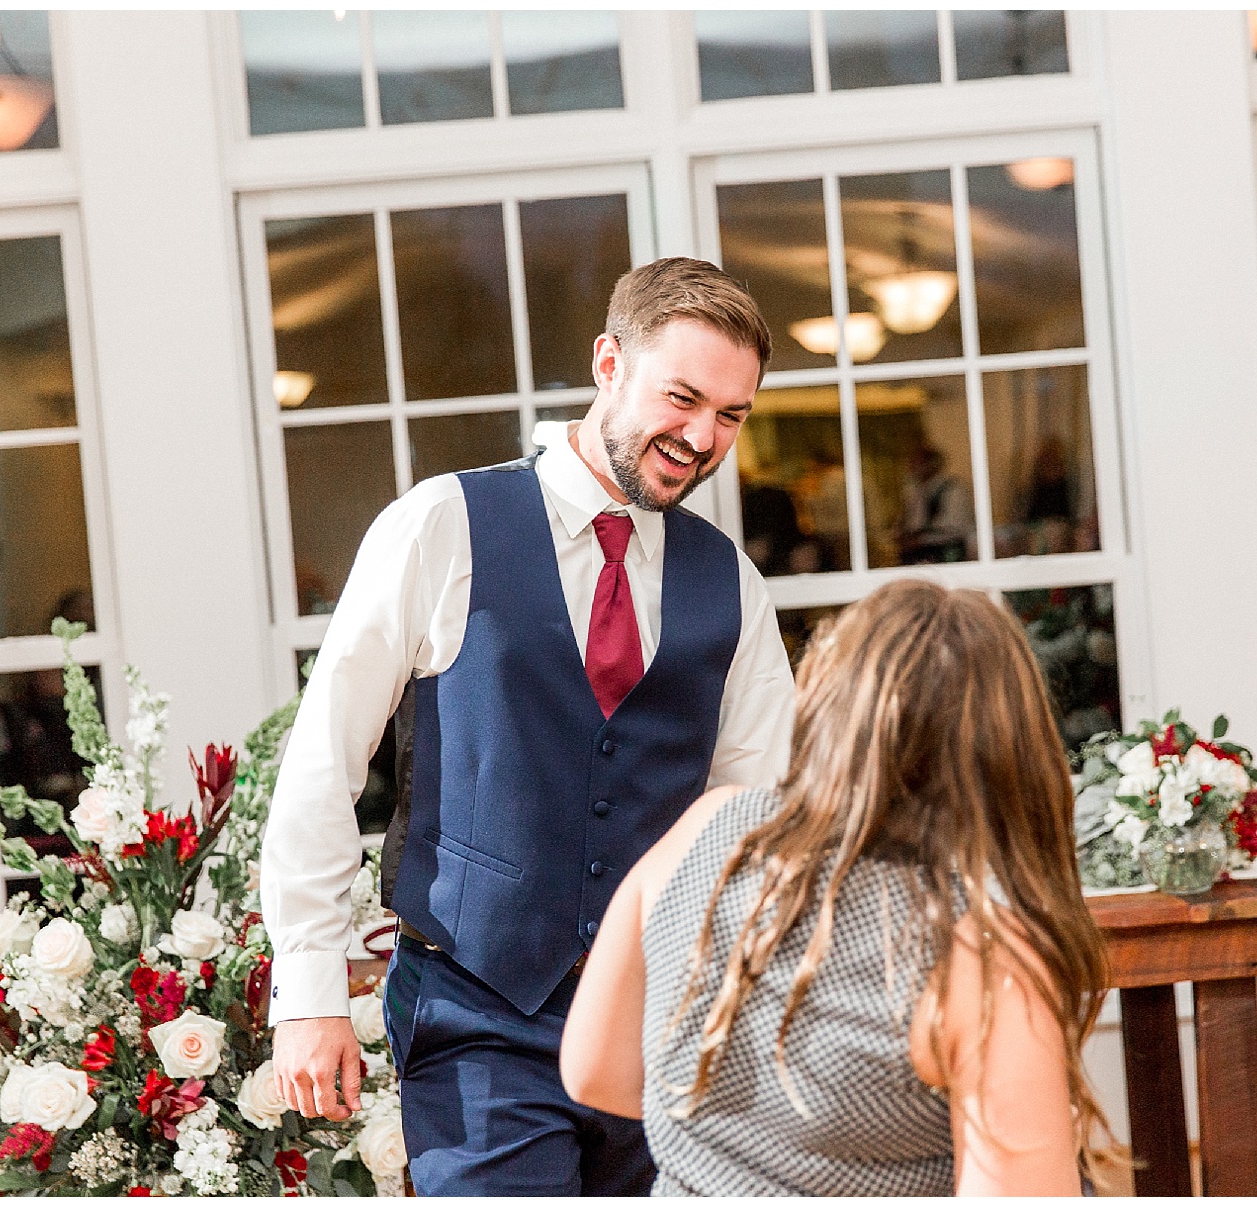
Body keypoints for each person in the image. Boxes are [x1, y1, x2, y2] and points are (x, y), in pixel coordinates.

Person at [262, 257, 798, 1196]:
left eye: (731, 415)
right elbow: (323, 758)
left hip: (661, 1027)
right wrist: (309, 989)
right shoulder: (442, 526)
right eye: (682, 398)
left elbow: (758, 817)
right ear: (607, 363)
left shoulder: (733, 585)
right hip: (474, 1015)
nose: (702, 437)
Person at [561, 580, 1110, 1196]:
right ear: (1012, 751)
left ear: (827, 703)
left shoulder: (707, 827)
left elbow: (593, 1070)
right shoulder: (983, 958)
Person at [899, 444, 975, 563]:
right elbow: (913, 523)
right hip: (919, 553)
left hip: (946, 553)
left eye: (916, 463)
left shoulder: (953, 489)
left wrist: (921, 539)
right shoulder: (916, 491)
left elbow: (956, 527)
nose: (911, 467)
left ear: (932, 464)